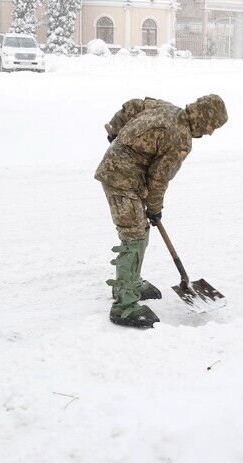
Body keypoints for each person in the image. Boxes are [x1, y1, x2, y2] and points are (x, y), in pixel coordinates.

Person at [95, 95, 228, 329]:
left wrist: (115, 130)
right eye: (212, 126)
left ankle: (132, 281)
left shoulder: (166, 107)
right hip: (121, 179)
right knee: (134, 235)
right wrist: (155, 209)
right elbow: (158, 179)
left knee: (140, 229)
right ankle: (124, 305)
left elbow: (134, 105)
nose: (210, 133)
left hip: (127, 175)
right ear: (204, 119)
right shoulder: (180, 139)